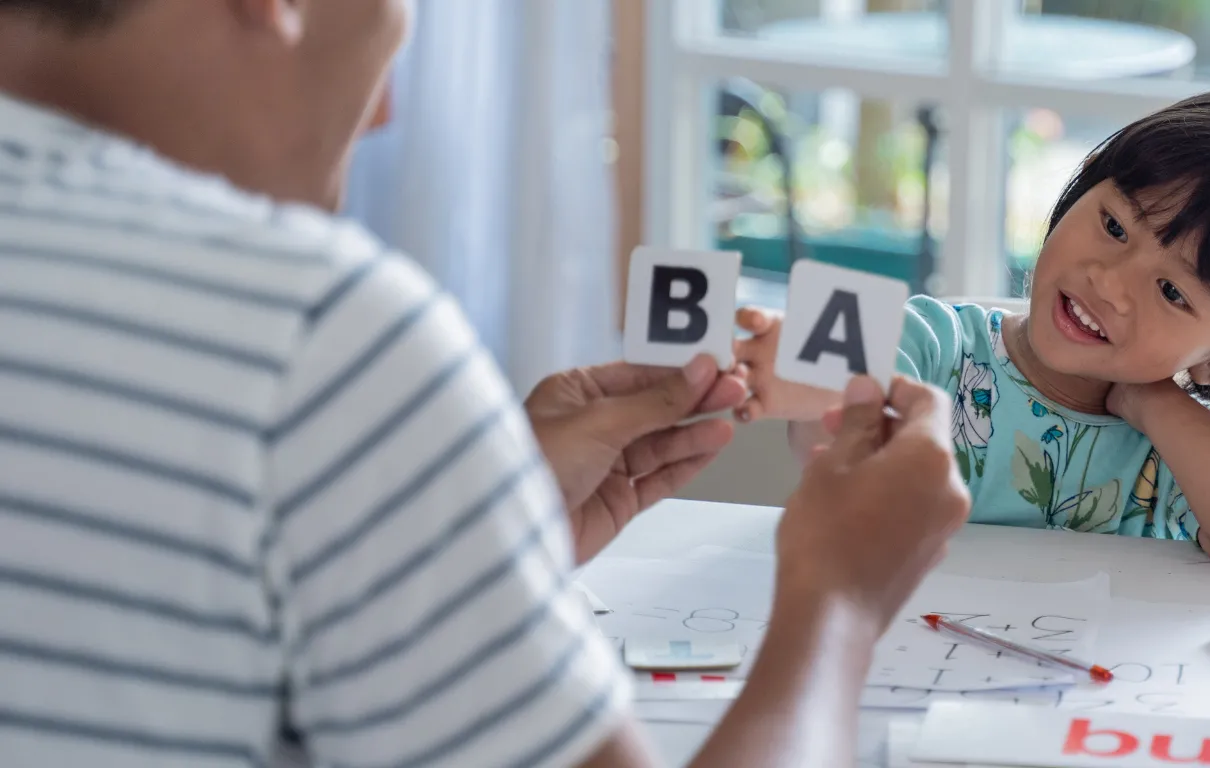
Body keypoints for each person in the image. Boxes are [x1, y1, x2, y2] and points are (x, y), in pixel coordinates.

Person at [0, 2, 969, 767]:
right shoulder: (312, 332)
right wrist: (838, 604)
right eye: (392, 36)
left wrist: (453, 534)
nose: (380, 114)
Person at [735, 90, 1210, 570]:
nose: (1110, 282)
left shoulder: (1177, 450)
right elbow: (833, 409)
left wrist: (1149, 399)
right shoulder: (937, 346)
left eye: (1173, 291)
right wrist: (780, 369)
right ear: (1080, 190)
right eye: (1116, 226)